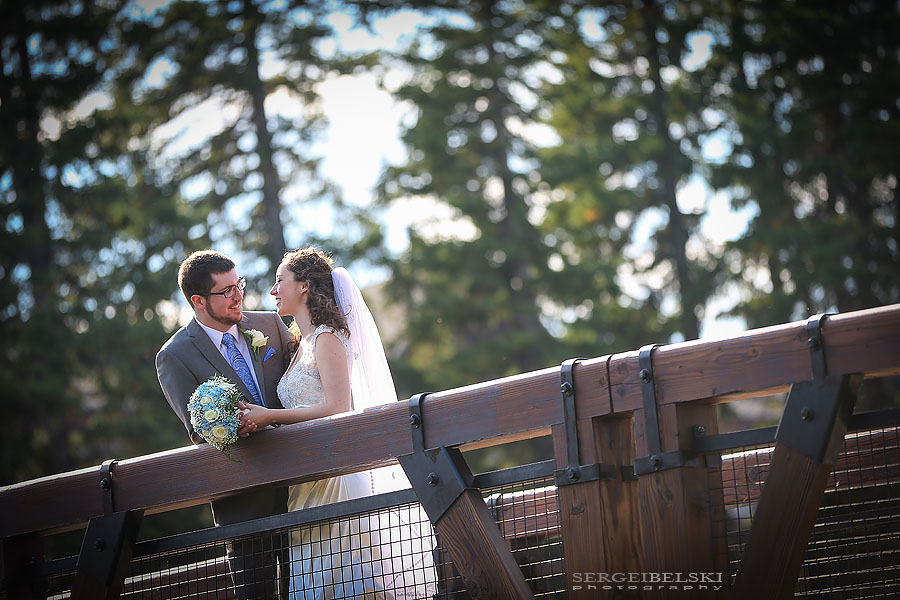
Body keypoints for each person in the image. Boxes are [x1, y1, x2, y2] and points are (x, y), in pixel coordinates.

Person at [241, 247, 435, 600]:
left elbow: (336, 406)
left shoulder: (328, 338)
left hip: (334, 477)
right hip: (304, 480)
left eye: (279, 281)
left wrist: (269, 417)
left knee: (347, 580)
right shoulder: (300, 344)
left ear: (303, 287)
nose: (272, 291)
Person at [156, 250, 293, 600]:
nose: (239, 295)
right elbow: (199, 428)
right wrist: (234, 428)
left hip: (302, 484)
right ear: (198, 301)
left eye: (239, 284)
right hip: (243, 502)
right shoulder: (174, 356)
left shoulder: (269, 325)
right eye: (227, 290)